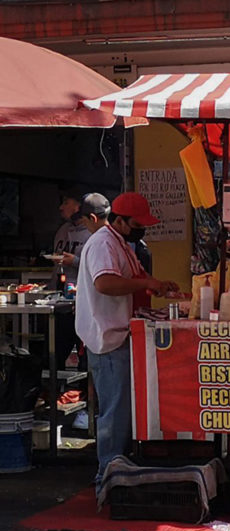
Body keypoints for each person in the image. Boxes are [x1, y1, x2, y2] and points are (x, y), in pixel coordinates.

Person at [76, 192, 179, 488]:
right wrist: (147, 282)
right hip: (107, 337)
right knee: (115, 408)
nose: (141, 229)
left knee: (122, 407)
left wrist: (155, 287)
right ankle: (107, 473)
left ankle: (119, 466)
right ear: (119, 220)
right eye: (136, 223)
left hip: (122, 334)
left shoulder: (122, 243)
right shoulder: (102, 243)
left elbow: (132, 279)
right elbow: (105, 283)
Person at [48, 192, 94, 367]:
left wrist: (74, 261)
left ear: (80, 206)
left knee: (86, 360)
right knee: (53, 356)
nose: (61, 208)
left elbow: (100, 268)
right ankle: (53, 392)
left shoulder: (93, 233)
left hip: (83, 304)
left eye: (66, 202)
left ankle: (83, 393)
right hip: (59, 302)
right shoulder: (62, 230)